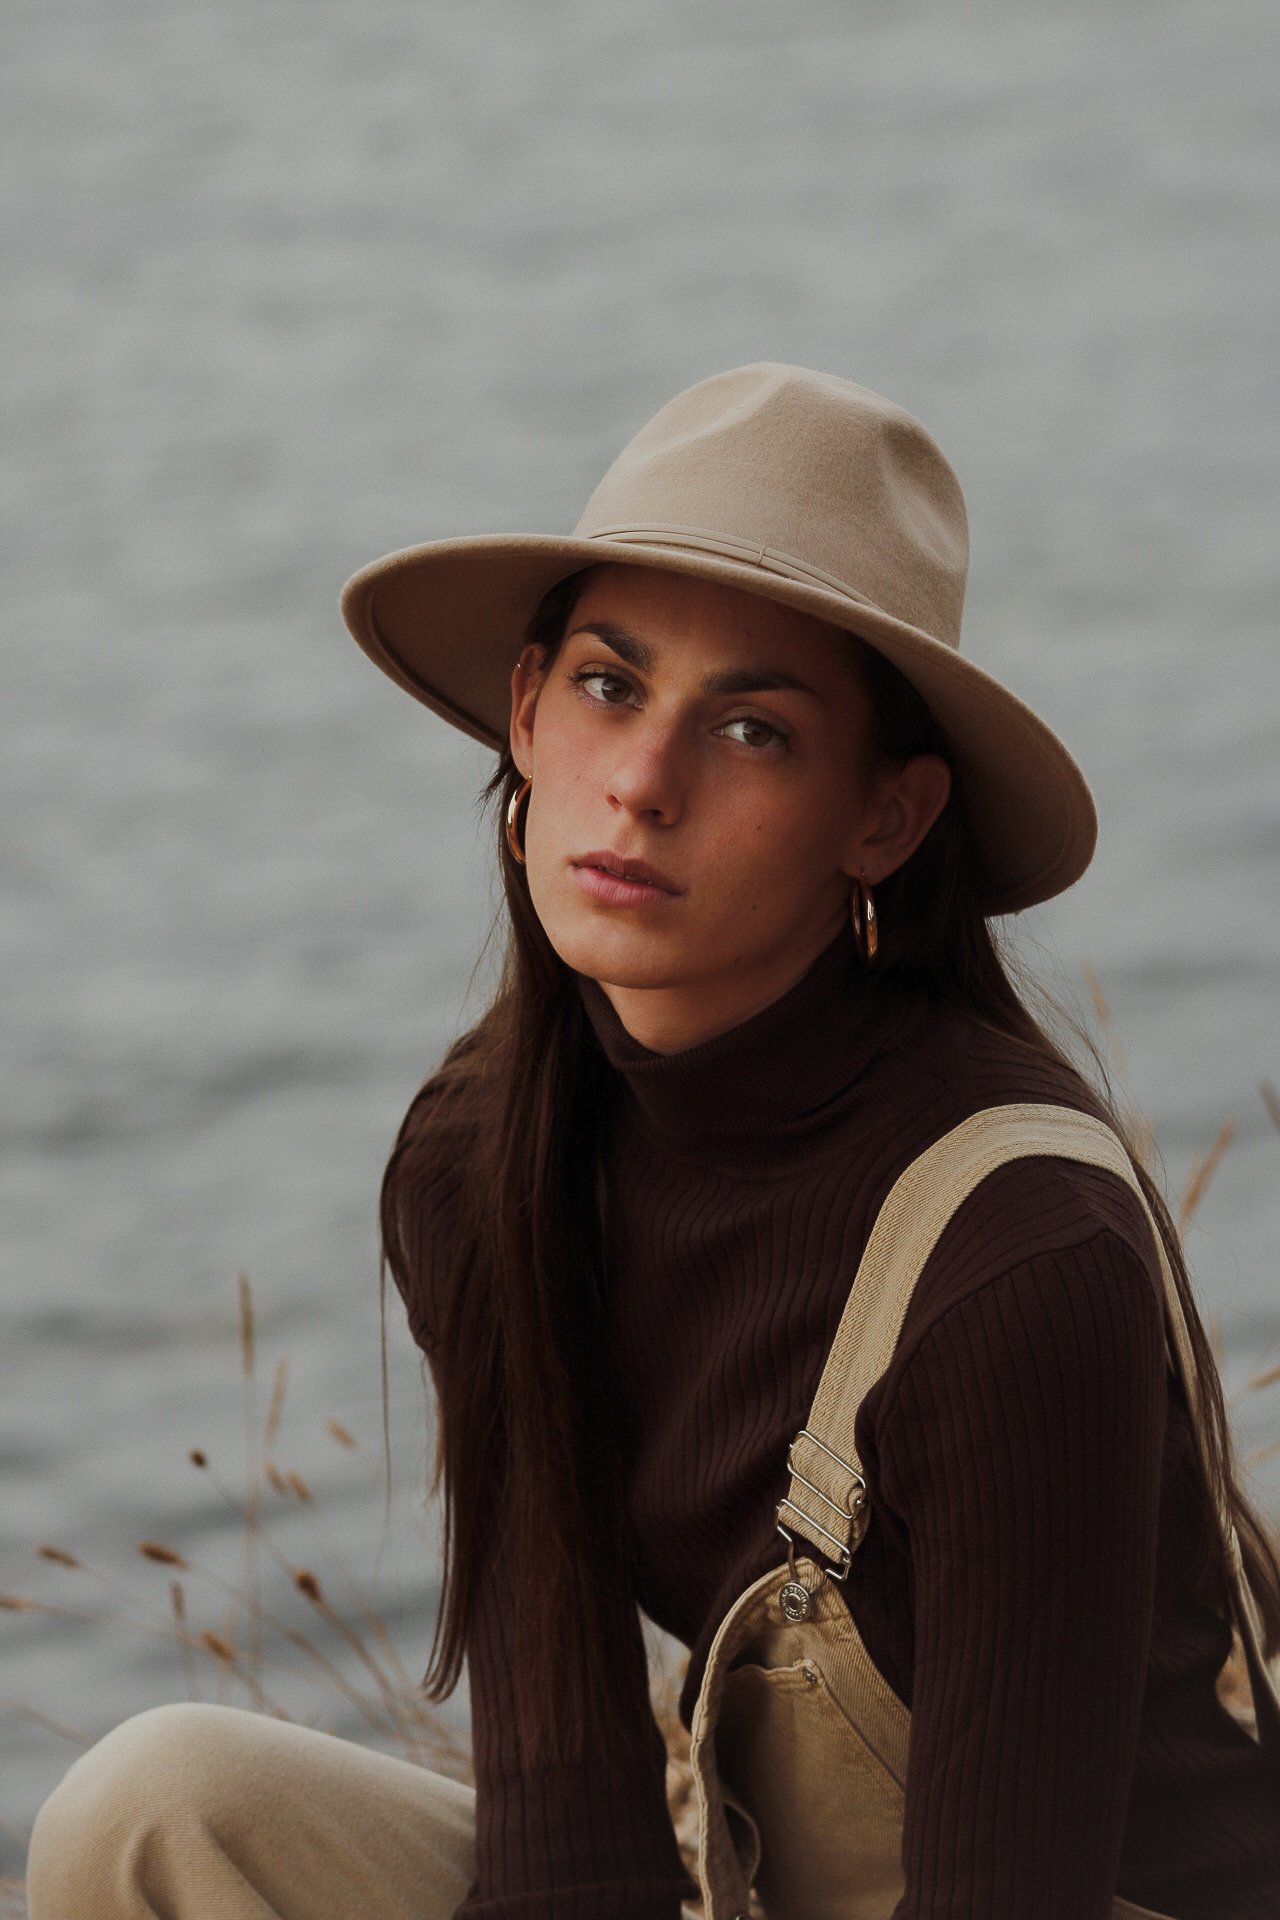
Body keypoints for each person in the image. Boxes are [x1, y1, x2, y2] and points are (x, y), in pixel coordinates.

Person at [26, 364, 1280, 1920]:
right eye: (613, 689)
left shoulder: (1019, 1260)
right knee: (156, 1813)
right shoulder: (481, 1163)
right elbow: (574, 1851)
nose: (643, 781)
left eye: (751, 729)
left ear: (882, 822)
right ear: (530, 712)